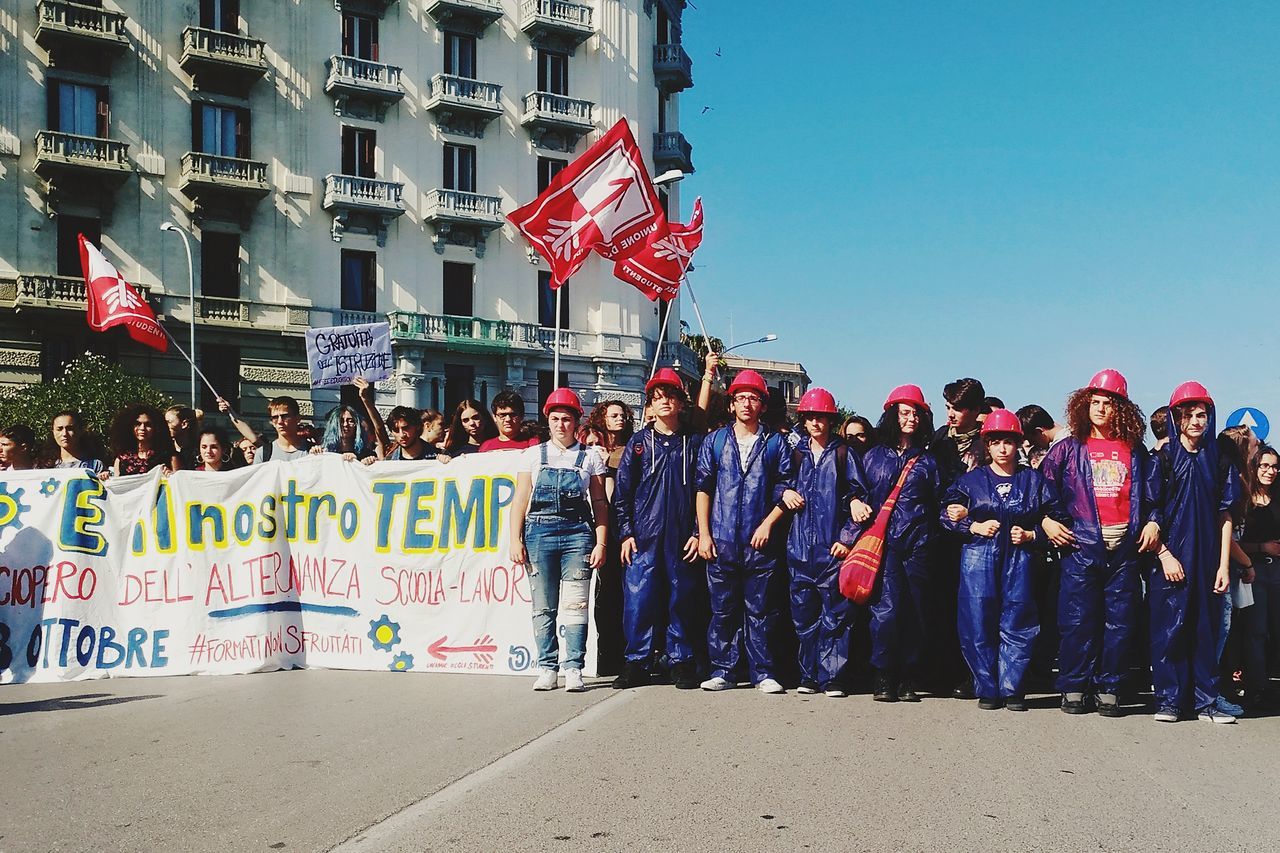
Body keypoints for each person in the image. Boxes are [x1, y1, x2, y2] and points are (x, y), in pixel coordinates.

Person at [1039, 369, 1162, 716]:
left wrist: (1154, 522)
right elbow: (1042, 494)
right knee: (1077, 620)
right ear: (1084, 405)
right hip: (1080, 547)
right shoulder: (1067, 449)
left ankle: (1110, 687)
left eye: (1108, 403)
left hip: (1124, 548)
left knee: (1120, 622)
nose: (1100, 409)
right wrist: (1047, 522)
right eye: (1095, 402)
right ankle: (1074, 685)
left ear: (1120, 409)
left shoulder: (1136, 452)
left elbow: (1154, 498)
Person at [940, 410, 1059, 711]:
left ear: (1018, 444)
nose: (1003, 448)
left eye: (1009, 442)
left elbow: (1057, 518)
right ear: (987, 445)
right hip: (978, 559)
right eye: (996, 442)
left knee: (1019, 621)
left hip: (1021, 561)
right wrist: (972, 526)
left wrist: (1032, 535)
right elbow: (946, 513)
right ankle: (988, 687)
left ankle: (1013, 688)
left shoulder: (1034, 481)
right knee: (978, 621)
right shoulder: (970, 481)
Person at [695, 368, 794, 694]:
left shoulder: (775, 443)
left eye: (754, 398)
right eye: (741, 398)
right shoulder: (716, 441)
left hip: (759, 542)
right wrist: (705, 534)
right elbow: (703, 488)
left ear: (762, 405)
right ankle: (723, 670)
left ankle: (763, 672)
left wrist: (767, 523)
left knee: (761, 610)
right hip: (722, 540)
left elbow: (786, 488)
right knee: (722, 610)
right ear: (732, 404)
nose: (747, 404)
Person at [1149, 382, 1239, 724]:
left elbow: (1225, 515)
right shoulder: (1163, 459)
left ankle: (1206, 703)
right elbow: (1150, 512)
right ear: (1177, 418)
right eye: (1189, 415)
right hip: (1171, 557)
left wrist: (1223, 566)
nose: (1197, 421)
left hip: (1208, 559)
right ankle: (1169, 701)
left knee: (1205, 629)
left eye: (1202, 414)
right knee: (1169, 629)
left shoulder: (1219, 460)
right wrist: (1164, 555)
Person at [509, 388, 609, 693]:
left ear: (576, 421)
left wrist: (601, 542)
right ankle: (547, 667)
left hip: (578, 533)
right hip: (538, 534)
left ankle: (574, 668)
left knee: (576, 604)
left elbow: (600, 502)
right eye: (555, 418)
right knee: (543, 605)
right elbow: (520, 499)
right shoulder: (532, 455)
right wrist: (515, 540)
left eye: (566, 419)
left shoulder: (590, 457)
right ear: (547, 421)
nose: (561, 424)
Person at [613, 368, 707, 690]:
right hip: (645, 536)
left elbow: (705, 489)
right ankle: (637, 661)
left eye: (671, 396)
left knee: (682, 597)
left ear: (681, 402)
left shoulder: (694, 442)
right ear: (650, 405)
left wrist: (698, 532)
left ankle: (679, 661)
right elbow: (623, 493)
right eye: (658, 397)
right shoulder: (639, 444)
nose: (664, 401)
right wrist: (625, 533)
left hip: (682, 536)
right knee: (639, 600)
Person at [778, 388, 871, 696]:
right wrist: (783, 492)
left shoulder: (844, 454)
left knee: (836, 617)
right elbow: (777, 482)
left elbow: (858, 499)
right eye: (810, 417)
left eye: (821, 417)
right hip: (799, 549)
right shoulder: (795, 453)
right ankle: (808, 676)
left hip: (832, 549)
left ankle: (833, 678)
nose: (816, 423)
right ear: (803, 420)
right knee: (803, 616)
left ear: (831, 420)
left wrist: (846, 539)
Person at [860, 385, 943, 702]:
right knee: (886, 612)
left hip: (920, 544)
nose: (910, 418)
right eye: (904, 412)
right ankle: (883, 675)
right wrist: (854, 500)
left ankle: (908, 676)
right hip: (884, 545)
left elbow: (940, 500)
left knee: (917, 611)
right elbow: (857, 493)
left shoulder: (928, 462)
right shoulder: (872, 457)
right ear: (892, 415)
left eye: (916, 413)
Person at [931, 377, 987, 699]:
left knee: (973, 608)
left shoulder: (986, 442)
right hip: (941, 533)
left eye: (958, 409)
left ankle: (971, 674)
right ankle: (943, 669)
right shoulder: (939, 438)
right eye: (948, 407)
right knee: (943, 604)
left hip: (976, 536)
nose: (951, 414)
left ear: (976, 410)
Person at [1241, 445, 1280, 712]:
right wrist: (1261, 548)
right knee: (1256, 631)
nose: (1270, 471)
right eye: (1264, 466)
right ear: (1254, 467)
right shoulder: (1244, 499)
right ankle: (1257, 687)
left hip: (1277, 570)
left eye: (1275, 466)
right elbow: (1235, 541)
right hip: (1253, 571)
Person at [108, 404, 179, 477]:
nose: (142, 428)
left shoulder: (170, 457)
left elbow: (179, 482)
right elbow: (116, 484)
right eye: (137, 424)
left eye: (148, 424)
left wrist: (171, 476)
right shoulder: (121, 459)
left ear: (156, 428)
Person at [312, 404, 377, 461]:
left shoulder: (367, 455)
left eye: (351, 421)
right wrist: (314, 454)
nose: (345, 424)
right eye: (341, 421)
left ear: (357, 425)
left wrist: (361, 462)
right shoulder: (325, 452)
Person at [165, 405, 200, 470]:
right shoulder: (164, 449)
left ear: (184, 424)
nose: (165, 426)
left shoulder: (199, 452)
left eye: (168, 422)